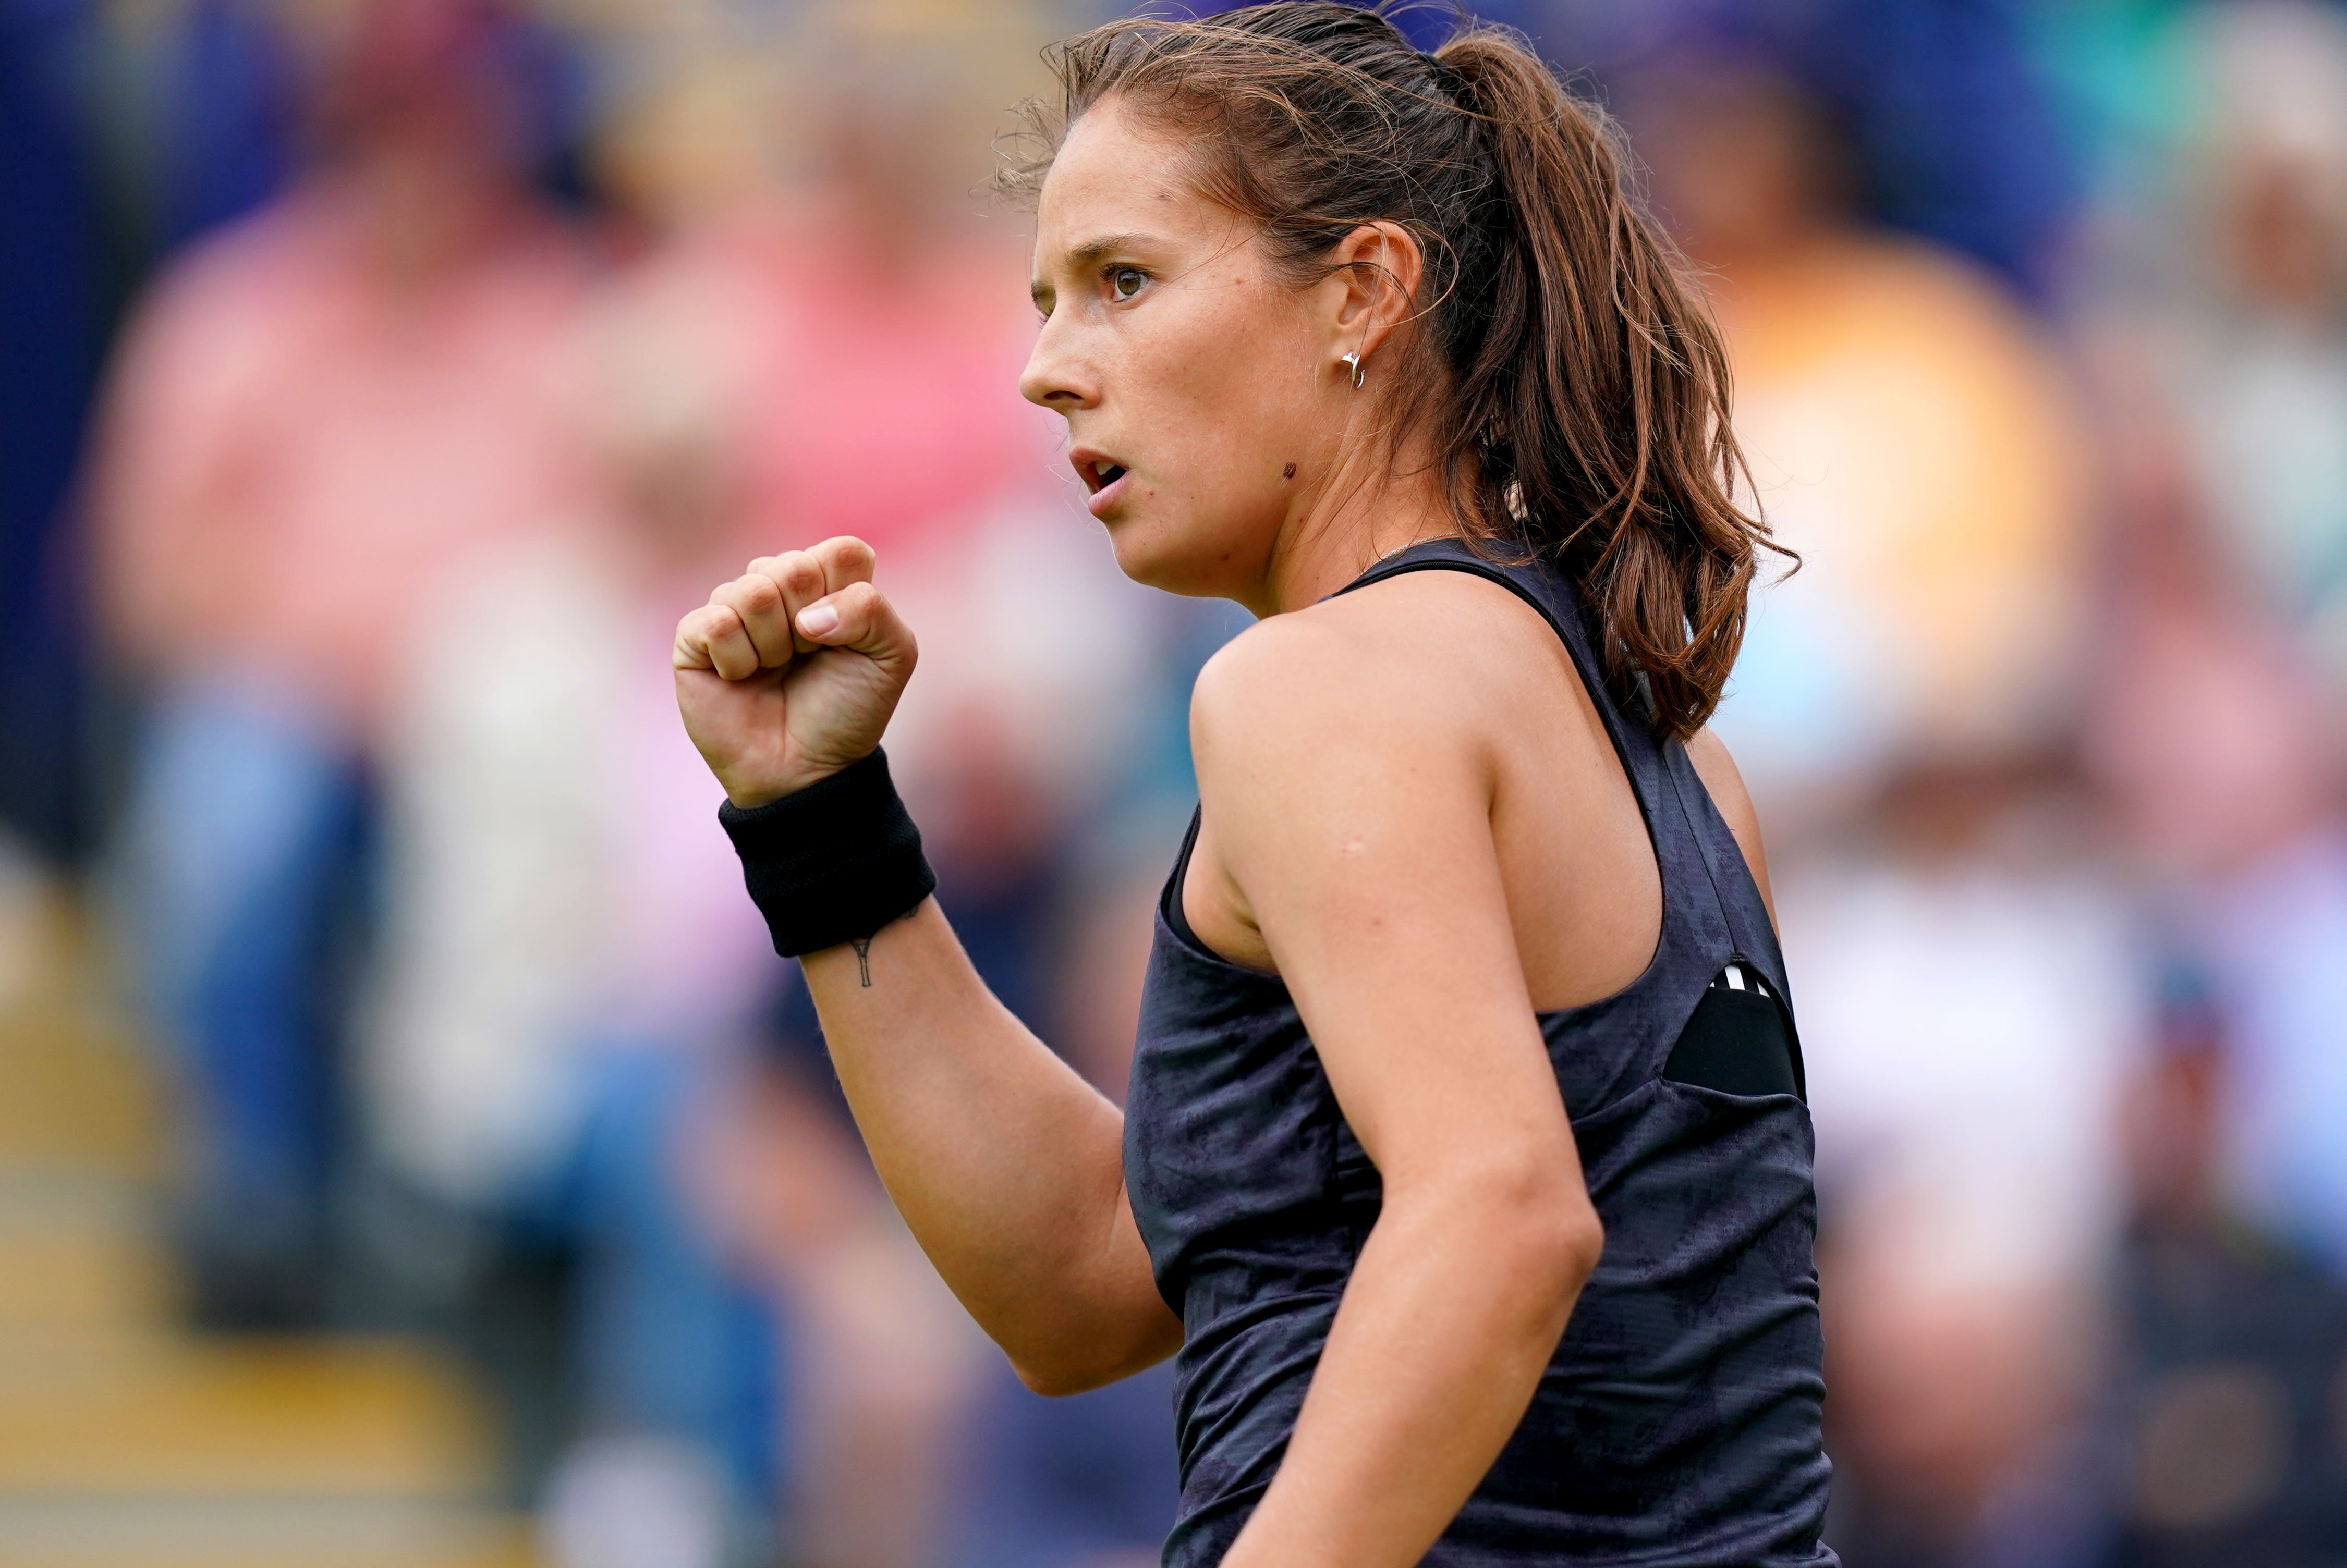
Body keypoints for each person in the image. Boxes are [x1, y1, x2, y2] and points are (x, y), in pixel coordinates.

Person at [672, 8, 1832, 1565]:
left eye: (1123, 283)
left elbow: (1499, 1215)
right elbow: (1093, 1287)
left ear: (1361, 292)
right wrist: (821, 822)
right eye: (1041, 303)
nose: (1043, 374)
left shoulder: (1316, 691)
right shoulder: (1675, 755)